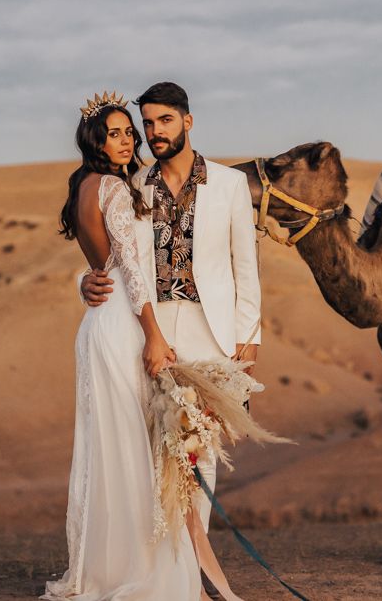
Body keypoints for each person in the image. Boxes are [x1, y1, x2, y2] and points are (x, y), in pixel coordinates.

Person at [77, 83, 261, 597]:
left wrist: (250, 341)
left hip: (212, 333)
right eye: (148, 123)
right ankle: (170, 574)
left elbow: (247, 268)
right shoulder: (130, 181)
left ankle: (194, 573)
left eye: (164, 121)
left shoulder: (228, 185)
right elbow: (112, 259)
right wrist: (83, 284)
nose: (154, 132)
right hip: (150, 333)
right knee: (152, 456)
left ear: (188, 121)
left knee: (198, 452)